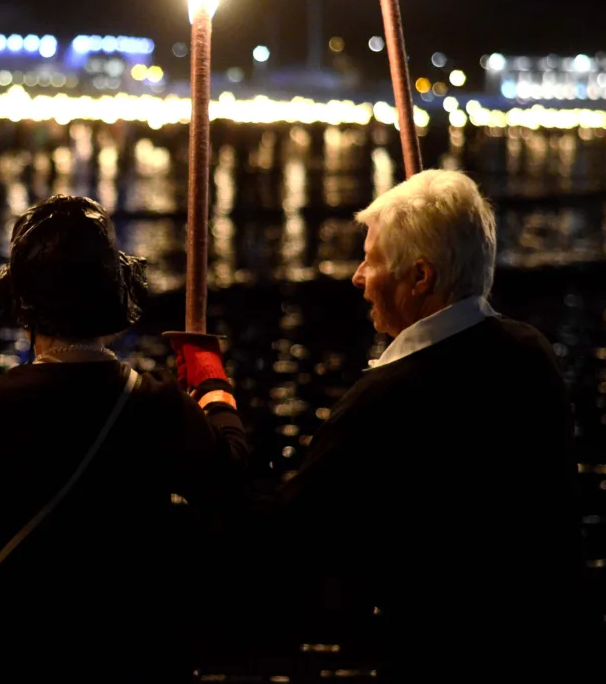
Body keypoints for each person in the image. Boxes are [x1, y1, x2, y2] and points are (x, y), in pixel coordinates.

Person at [0, 195, 248, 684]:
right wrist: (212, 384)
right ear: (115, 291)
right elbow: (236, 485)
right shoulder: (160, 408)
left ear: (20, 302)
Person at [246, 170, 584, 683]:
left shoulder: (385, 399)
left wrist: (217, 410)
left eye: (372, 260)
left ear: (420, 277)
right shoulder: (530, 352)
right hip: (551, 651)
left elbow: (280, 539)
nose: (357, 276)